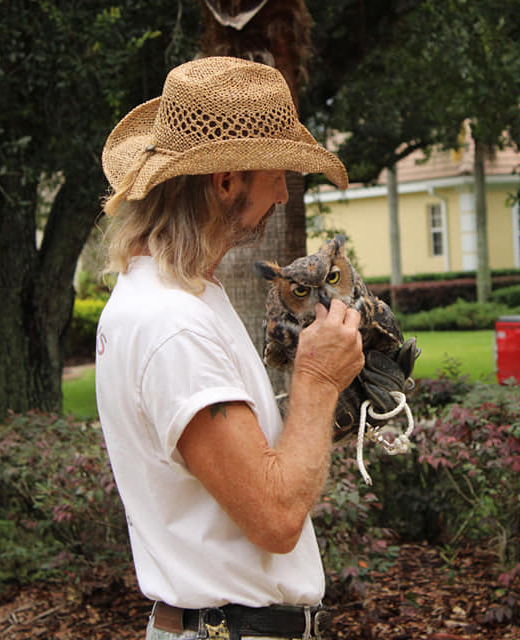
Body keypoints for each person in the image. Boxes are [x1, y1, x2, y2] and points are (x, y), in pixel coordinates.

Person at [95, 56, 364, 640]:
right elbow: (275, 517)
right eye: (276, 173)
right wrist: (317, 380)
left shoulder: (174, 295)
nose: (283, 195)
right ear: (224, 182)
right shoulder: (173, 325)